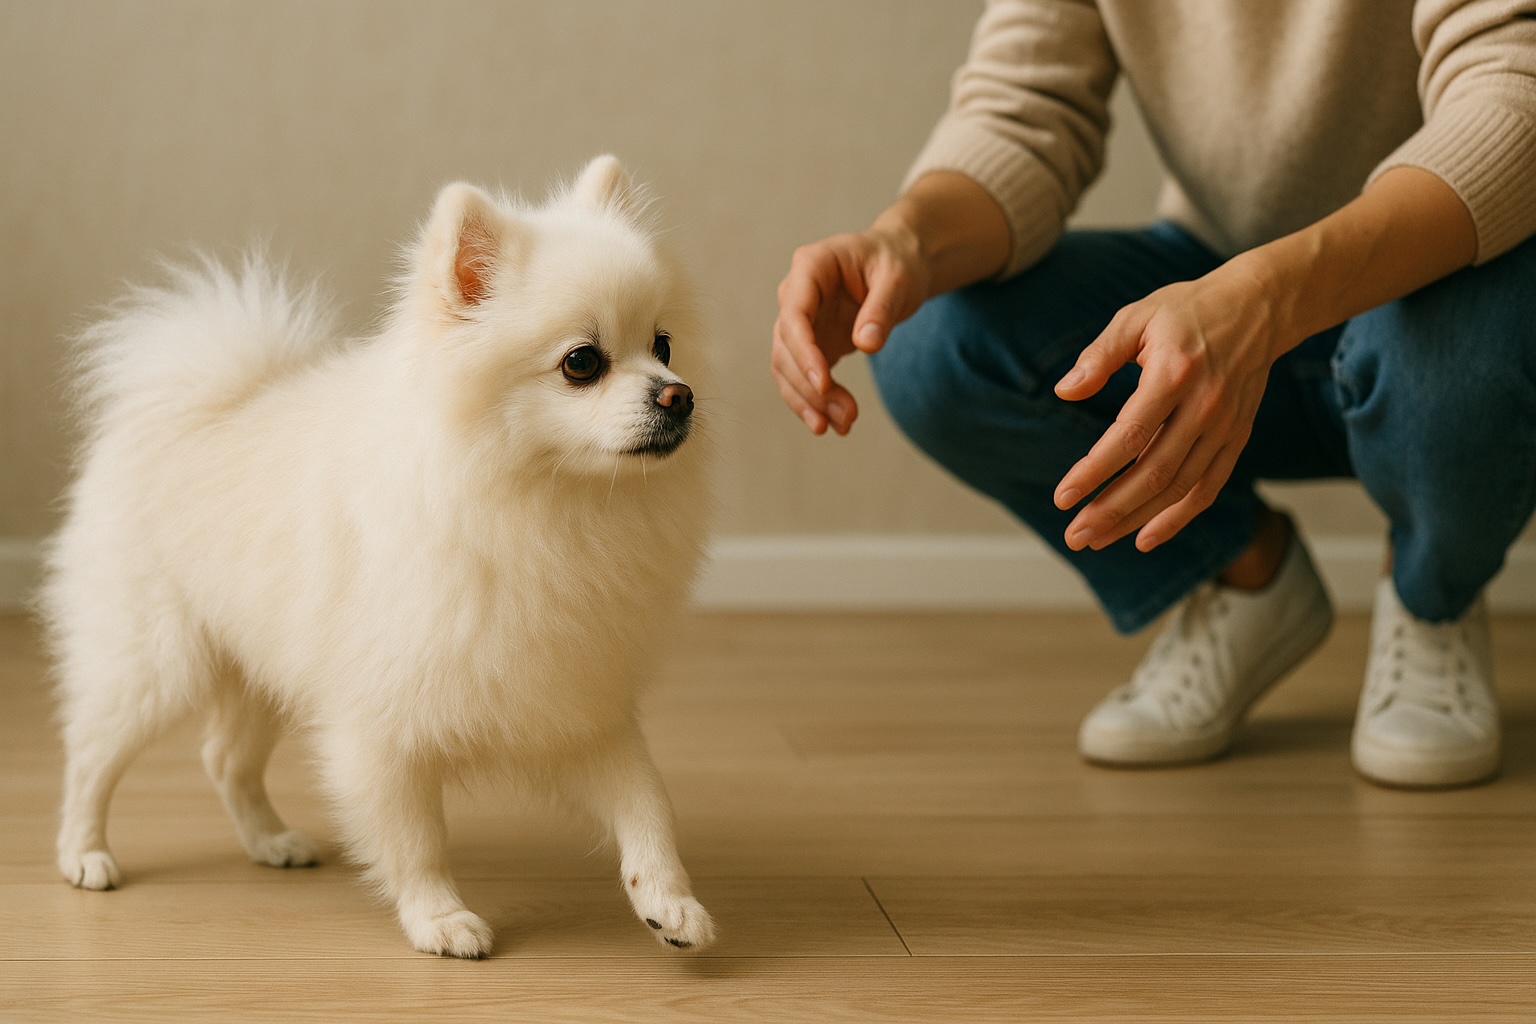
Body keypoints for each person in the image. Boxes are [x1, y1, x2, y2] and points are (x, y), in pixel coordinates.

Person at [770, 0, 1536, 788]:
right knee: (930, 338)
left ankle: (1432, 594)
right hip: (1211, 264)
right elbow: (1023, 109)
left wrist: (1267, 296)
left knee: (1472, 342)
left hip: (1443, 288)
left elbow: (1512, 97)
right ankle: (1245, 577)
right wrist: (906, 241)